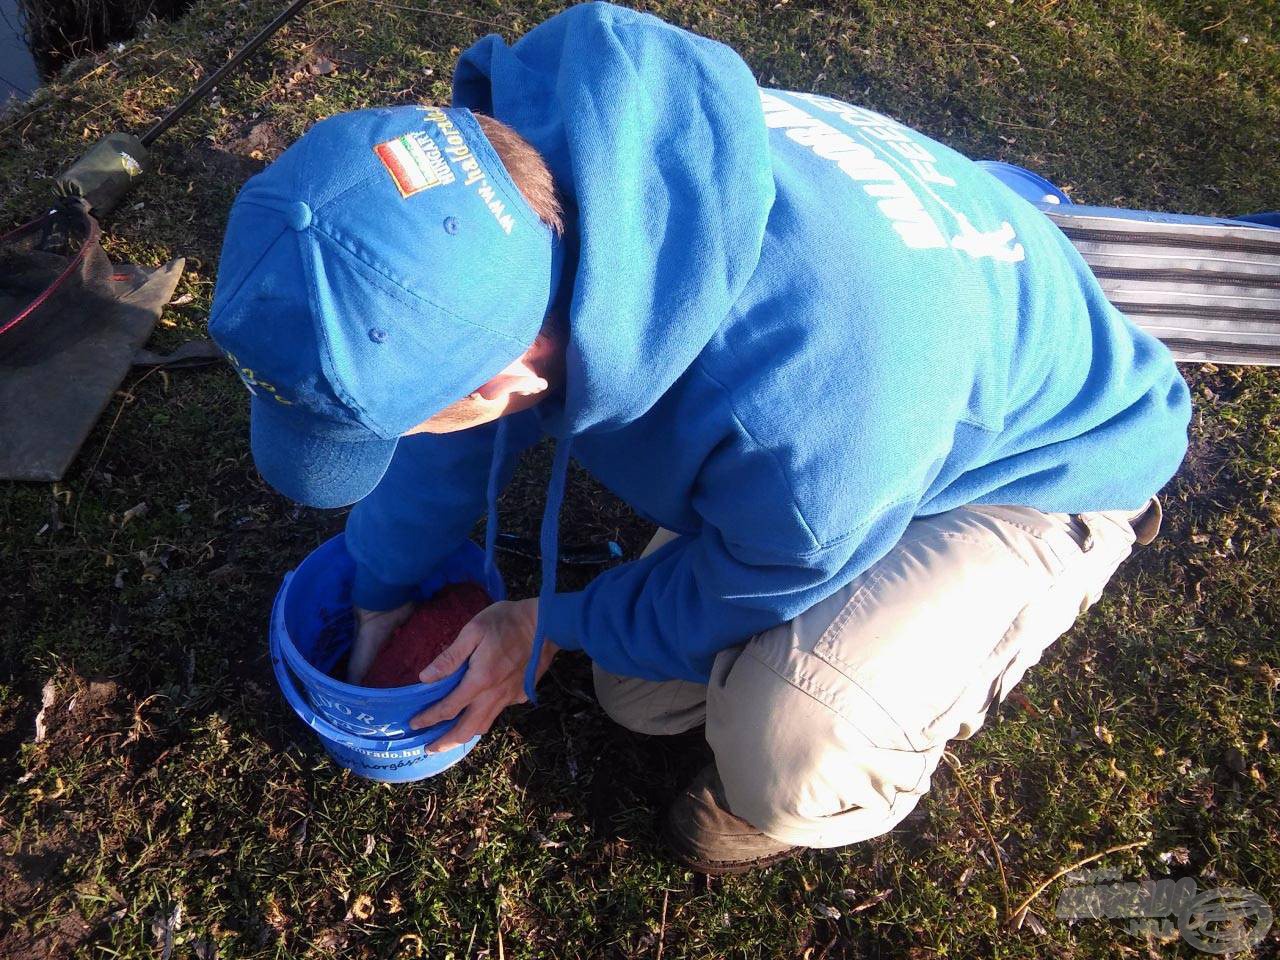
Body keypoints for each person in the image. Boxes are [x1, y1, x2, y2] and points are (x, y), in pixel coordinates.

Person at [209, 2, 1189, 875]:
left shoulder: (794, 430)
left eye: (405, 419)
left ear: (506, 380)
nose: (412, 435)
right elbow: (446, 385)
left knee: (785, 746)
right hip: (898, 379)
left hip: (1035, 467)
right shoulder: (516, 185)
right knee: (637, 692)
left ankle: (842, 759)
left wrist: (538, 621)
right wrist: (381, 589)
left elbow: (751, 574)